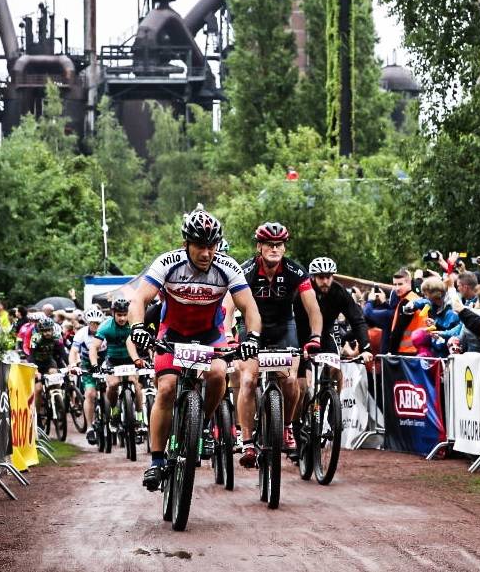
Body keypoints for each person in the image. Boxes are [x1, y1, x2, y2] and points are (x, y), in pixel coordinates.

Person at [123, 209, 263, 492]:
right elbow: (139, 298)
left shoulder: (227, 266)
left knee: (218, 374)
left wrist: (253, 336)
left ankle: (202, 421)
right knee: (167, 387)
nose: (206, 253)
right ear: (186, 243)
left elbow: (251, 309)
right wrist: (138, 326)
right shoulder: (168, 263)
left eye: (211, 246)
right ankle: (157, 460)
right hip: (172, 335)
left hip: (209, 336)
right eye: (200, 245)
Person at [235, 222, 323, 465]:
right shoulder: (246, 270)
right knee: (248, 380)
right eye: (269, 245)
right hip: (252, 327)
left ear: (284, 247)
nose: (275, 249)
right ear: (259, 246)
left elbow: (312, 307)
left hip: (285, 327)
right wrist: (230, 336)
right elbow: (229, 304)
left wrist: (315, 337)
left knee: (292, 380)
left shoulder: (296, 272)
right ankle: (248, 441)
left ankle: (286, 426)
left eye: (279, 245)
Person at [296, 256, 373, 392]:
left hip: (325, 333)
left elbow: (357, 319)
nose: (325, 281)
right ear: (313, 277)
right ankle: (303, 409)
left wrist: (366, 347)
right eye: (321, 277)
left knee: (335, 369)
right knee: (302, 386)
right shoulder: (303, 290)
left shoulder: (339, 292)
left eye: (328, 277)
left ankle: (333, 405)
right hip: (300, 334)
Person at [90, 297, 145, 434]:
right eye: (119, 315)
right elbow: (94, 347)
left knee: (137, 385)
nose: (122, 318)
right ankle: (114, 412)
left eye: (125, 314)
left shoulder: (133, 324)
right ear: (113, 313)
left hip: (130, 359)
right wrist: (94, 364)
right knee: (113, 385)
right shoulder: (106, 326)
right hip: (112, 361)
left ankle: (139, 417)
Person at [68, 307, 107, 445]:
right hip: (87, 364)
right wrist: (73, 365)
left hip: (104, 363)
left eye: (97, 323)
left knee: (111, 389)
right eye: (92, 323)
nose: (95, 326)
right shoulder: (81, 333)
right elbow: (73, 351)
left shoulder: (105, 331)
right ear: (87, 323)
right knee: (90, 394)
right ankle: (90, 427)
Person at [388, 268, 427, 355]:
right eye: (395, 284)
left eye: (400, 284)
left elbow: (398, 330)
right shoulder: (416, 298)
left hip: (406, 351)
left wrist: (391, 353)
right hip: (418, 349)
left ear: (409, 282)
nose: (397, 288)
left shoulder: (407, 301)